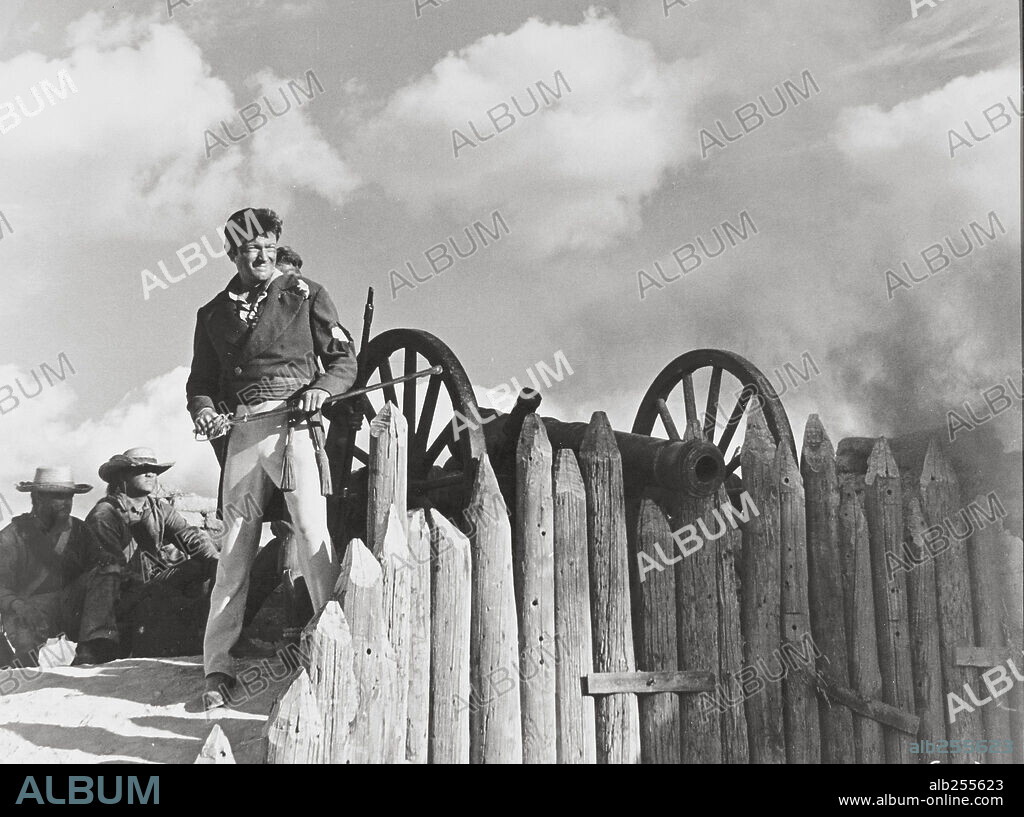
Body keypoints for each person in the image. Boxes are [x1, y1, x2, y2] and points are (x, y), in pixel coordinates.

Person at [186, 206, 358, 708]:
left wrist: (321, 390)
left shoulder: (305, 295)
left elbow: (343, 359)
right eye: (248, 246)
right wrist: (205, 413)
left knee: (310, 532)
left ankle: (332, 650)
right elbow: (200, 385)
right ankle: (217, 670)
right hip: (242, 431)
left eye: (267, 245)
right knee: (235, 549)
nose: (259, 254)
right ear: (231, 252)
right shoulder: (212, 314)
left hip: (295, 426)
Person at [0, 467, 120, 667]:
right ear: (37, 498)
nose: (66, 503)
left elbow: (100, 562)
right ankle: (24, 666)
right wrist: (18, 605)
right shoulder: (12, 536)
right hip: (28, 609)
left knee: (107, 573)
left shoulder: (80, 529)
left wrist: (109, 564)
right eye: (58, 497)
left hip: (70, 607)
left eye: (69, 497)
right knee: (25, 664)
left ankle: (89, 650)